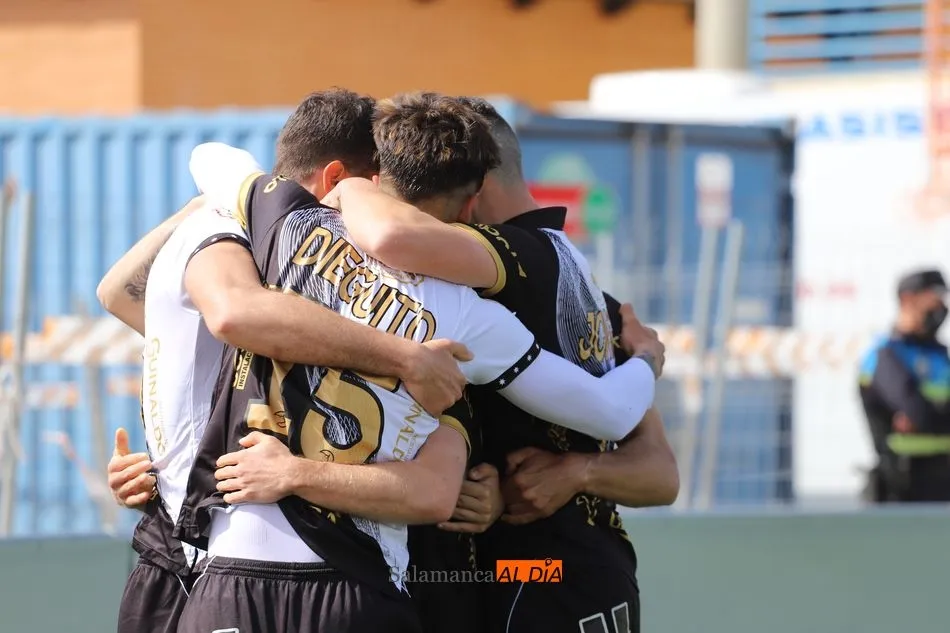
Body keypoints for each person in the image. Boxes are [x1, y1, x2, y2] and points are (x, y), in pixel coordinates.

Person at [175, 92, 660, 633]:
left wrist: (574, 472)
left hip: (520, 570)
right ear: (467, 201)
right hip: (408, 575)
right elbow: (612, 417)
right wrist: (645, 359)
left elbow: (209, 162)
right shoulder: (472, 311)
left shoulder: (286, 226)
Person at [99, 90, 471, 633]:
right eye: (377, 191)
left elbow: (121, 297)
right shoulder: (242, 246)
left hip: (219, 559)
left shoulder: (289, 275)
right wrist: (406, 358)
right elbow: (187, 307)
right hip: (188, 557)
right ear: (338, 179)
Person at [328, 96, 679, 633]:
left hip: (534, 576)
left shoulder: (516, 257)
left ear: (475, 187)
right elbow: (659, 468)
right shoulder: (586, 285)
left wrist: (347, 186)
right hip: (583, 574)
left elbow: (392, 237)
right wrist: (578, 470)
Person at [859, 268, 950, 503]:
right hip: (902, 485)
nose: (941, 306)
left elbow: (920, 416)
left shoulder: (940, 355)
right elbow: (918, 412)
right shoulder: (884, 354)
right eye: (935, 297)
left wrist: (925, 417)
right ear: (908, 299)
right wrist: (927, 416)